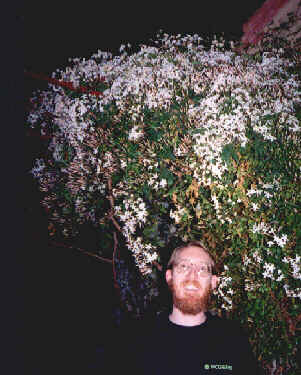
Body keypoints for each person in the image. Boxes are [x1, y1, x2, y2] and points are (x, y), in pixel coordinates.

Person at [107, 241, 263, 375]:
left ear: (213, 282)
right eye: (183, 266)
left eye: (202, 269)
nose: (192, 276)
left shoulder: (233, 340)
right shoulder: (136, 340)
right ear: (170, 277)